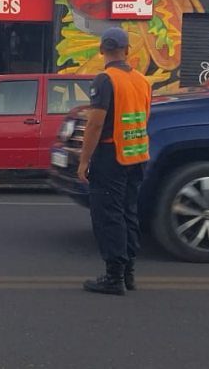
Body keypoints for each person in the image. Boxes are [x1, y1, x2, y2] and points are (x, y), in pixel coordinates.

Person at [76, 27, 152, 296]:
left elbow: (95, 124)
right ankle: (128, 273)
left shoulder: (105, 79)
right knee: (128, 212)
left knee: (109, 215)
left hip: (111, 157)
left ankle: (113, 278)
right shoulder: (142, 80)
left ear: (101, 49)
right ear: (128, 50)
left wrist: (84, 161)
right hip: (137, 156)